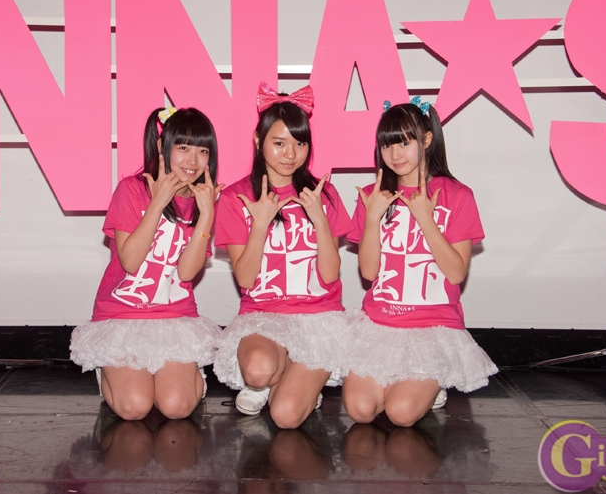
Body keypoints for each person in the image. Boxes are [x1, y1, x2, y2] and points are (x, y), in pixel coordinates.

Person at [342, 98, 497, 427]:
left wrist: (426, 218)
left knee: (400, 413)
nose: (395, 154)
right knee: (359, 410)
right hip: (381, 323)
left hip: (433, 326)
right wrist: (372, 218)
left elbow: (456, 272)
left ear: (427, 139)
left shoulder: (457, 195)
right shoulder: (373, 195)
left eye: (404, 143)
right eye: (387, 145)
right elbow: (369, 273)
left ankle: (434, 381)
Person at [213, 82, 353, 429]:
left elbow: (330, 275)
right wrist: (259, 224)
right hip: (264, 315)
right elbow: (246, 279)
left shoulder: (323, 194)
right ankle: (273, 380)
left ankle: (297, 384)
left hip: (318, 317)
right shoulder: (236, 197)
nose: (291, 154)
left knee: (286, 417)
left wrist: (319, 218)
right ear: (258, 141)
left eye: (299, 143)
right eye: (279, 143)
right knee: (258, 371)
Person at [70, 107, 224, 420]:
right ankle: (107, 370)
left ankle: (191, 376)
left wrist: (207, 214)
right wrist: (158, 203)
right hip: (122, 315)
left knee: (176, 407)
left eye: (203, 151)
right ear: (162, 147)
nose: (193, 161)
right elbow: (130, 261)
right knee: (135, 407)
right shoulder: (131, 189)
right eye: (183, 148)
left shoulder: (203, 200)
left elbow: (186, 273)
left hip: (174, 316)